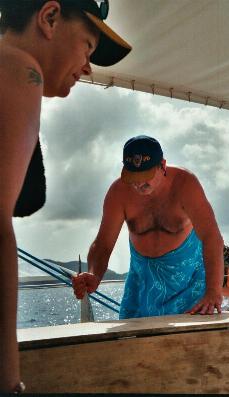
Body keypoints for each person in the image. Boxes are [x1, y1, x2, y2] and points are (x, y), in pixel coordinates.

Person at [0, 0, 131, 392]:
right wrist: (9, 381)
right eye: (88, 47)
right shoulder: (20, 71)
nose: (88, 67)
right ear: (50, 17)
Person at [73, 135, 224, 319]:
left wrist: (213, 291)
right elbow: (103, 243)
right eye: (133, 177)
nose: (138, 183)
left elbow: (211, 236)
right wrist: (94, 274)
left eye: (146, 176)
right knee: (131, 343)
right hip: (142, 283)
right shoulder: (119, 192)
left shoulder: (185, 184)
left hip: (188, 283)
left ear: (163, 165)